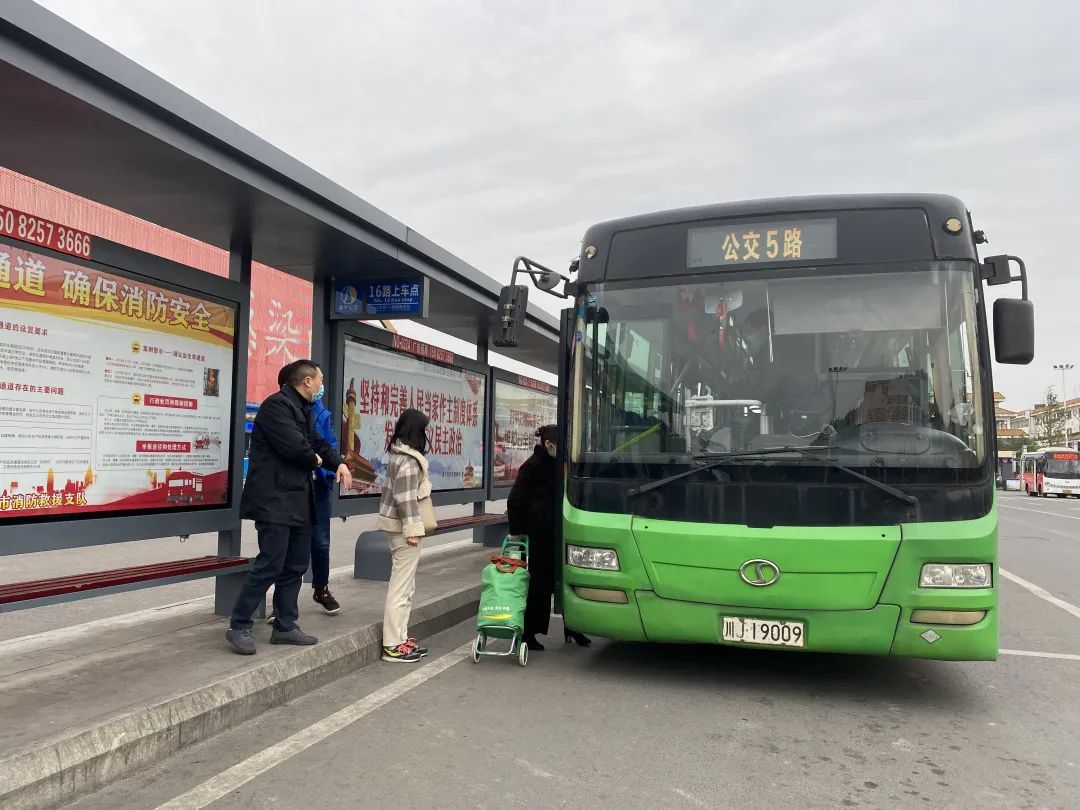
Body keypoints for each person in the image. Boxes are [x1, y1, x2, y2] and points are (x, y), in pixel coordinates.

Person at [225, 360, 352, 656]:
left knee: (295, 565)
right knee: (271, 562)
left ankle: (285, 625)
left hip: (296, 500)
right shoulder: (276, 407)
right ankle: (239, 624)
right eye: (319, 380)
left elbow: (318, 443)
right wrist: (316, 461)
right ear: (306, 382)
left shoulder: (303, 410)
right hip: (274, 501)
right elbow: (296, 448)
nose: (322, 385)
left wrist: (339, 462)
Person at [507, 424, 591, 651]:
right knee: (539, 585)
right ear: (548, 444)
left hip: (559, 531)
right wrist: (515, 531)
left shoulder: (559, 465)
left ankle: (573, 626)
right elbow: (515, 500)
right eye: (558, 446)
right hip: (539, 534)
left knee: (565, 579)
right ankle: (529, 633)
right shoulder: (532, 467)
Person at [376, 408, 433, 663]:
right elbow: (405, 499)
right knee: (401, 588)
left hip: (396, 529)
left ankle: (400, 638)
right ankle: (392, 645)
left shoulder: (396, 454)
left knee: (406, 586)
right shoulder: (409, 460)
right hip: (404, 531)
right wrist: (412, 530)